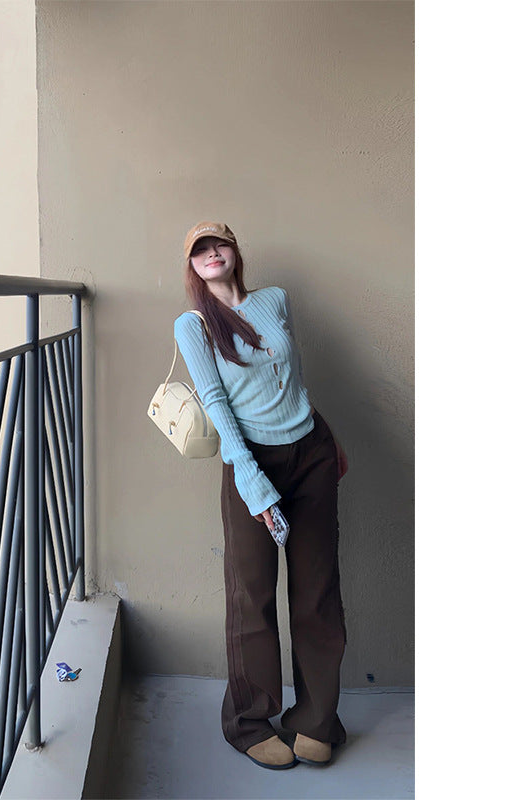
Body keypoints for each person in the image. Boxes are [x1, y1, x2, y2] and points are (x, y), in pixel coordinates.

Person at [173, 221, 349, 770]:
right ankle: (248, 722)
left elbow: (291, 378)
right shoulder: (194, 325)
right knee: (252, 597)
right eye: (199, 249)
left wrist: (327, 438)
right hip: (252, 461)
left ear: (234, 250)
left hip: (311, 452)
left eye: (218, 243)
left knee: (318, 591)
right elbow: (216, 404)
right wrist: (254, 485)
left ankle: (316, 720)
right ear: (192, 264)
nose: (211, 253)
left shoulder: (274, 300)